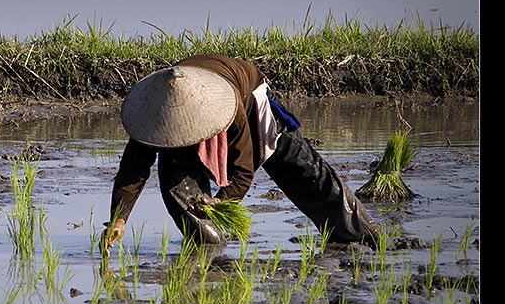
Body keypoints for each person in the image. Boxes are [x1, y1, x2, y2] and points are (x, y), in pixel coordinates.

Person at [101, 54, 381, 252]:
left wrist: (221, 201)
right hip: (187, 99)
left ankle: (358, 236)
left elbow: (242, 170)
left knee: (301, 168)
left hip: (245, 92)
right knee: (180, 191)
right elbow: (132, 170)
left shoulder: (231, 110)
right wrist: (120, 218)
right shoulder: (153, 117)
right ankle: (208, 250)